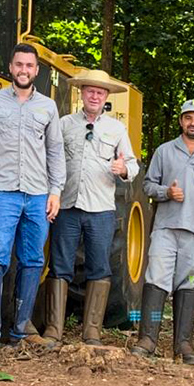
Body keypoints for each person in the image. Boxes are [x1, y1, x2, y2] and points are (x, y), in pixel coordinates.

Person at [0, 43, 66, 351]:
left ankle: (21, 329)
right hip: (2, 193)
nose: (24, 70)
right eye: (19, 65)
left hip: (37, 195)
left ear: (36, 70)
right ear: (11, 67)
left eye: (29, 66)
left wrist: (55, 192)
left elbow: (55, 152)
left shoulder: (47, 107)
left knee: (32, 260)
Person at [42, 69, 138, 346]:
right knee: (60, 266)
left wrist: (123, 169)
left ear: (106, 97)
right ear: (81, 93)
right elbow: (52, 158)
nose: (94, 95)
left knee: (99, 266)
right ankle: (53, 329)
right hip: (68, 206)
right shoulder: (64, 124)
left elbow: (132, 165)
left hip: (101, 210)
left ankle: (92, 330)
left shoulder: (116, 129)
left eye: (100, 91)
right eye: (90, 90)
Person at [132, 99, 194, 364]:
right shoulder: (165, 151)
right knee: (156, 282)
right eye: (188, 118)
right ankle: (148, 337)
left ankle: (183, 343)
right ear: (180, 121)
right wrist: (167, 192)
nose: (193, 123)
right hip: (166, 227)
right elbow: (148, 185)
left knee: (188, 285)